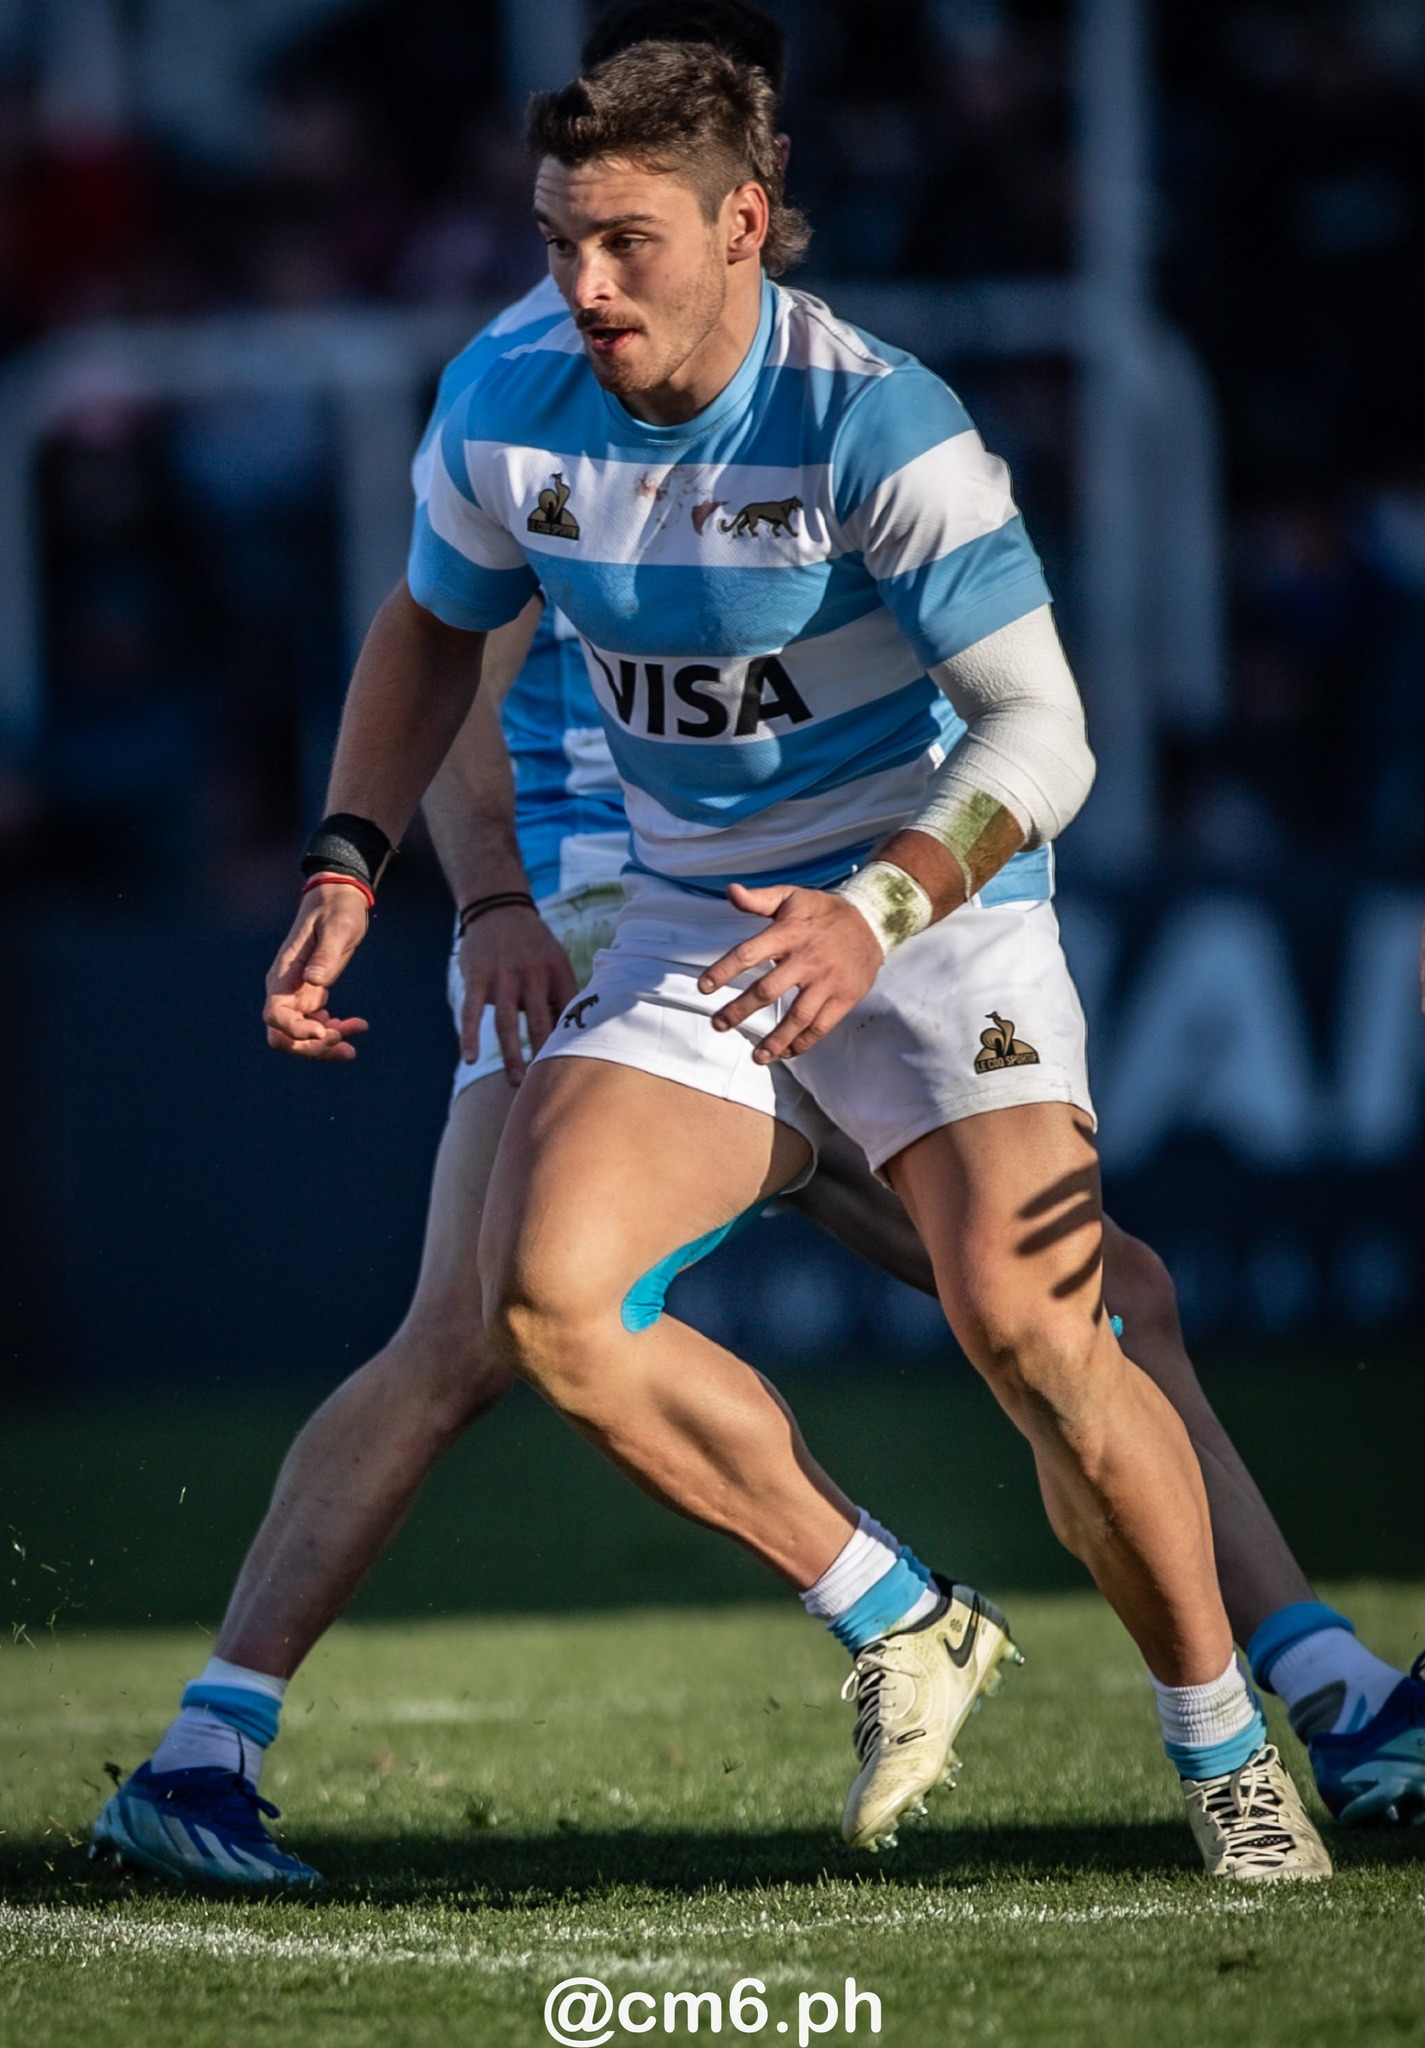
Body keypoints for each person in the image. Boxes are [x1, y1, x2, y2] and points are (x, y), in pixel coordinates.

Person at [92, 4, 1419, 1894]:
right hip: (641, 922)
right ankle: (951, 1623)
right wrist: (387, 872)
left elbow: (1042, 739)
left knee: (1062, 1317)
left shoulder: (879, 423)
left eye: (620, 239)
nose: (580, 281)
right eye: (556, 237)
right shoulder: (506, 391)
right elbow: (433, 647)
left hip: (905, 923)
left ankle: (1259, 1722)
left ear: (747, 209)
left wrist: (872, 908)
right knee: (526, 1312)